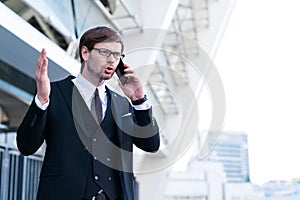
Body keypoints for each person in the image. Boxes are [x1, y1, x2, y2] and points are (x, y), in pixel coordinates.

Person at [17, 26, 160, 200]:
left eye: (117, 55)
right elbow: (26, 146)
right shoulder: (54, 93)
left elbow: (151, 145)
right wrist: (41, 100)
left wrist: (138, 100)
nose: (112, 60)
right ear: (85, 53)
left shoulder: (123, 104)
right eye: (105, 52)